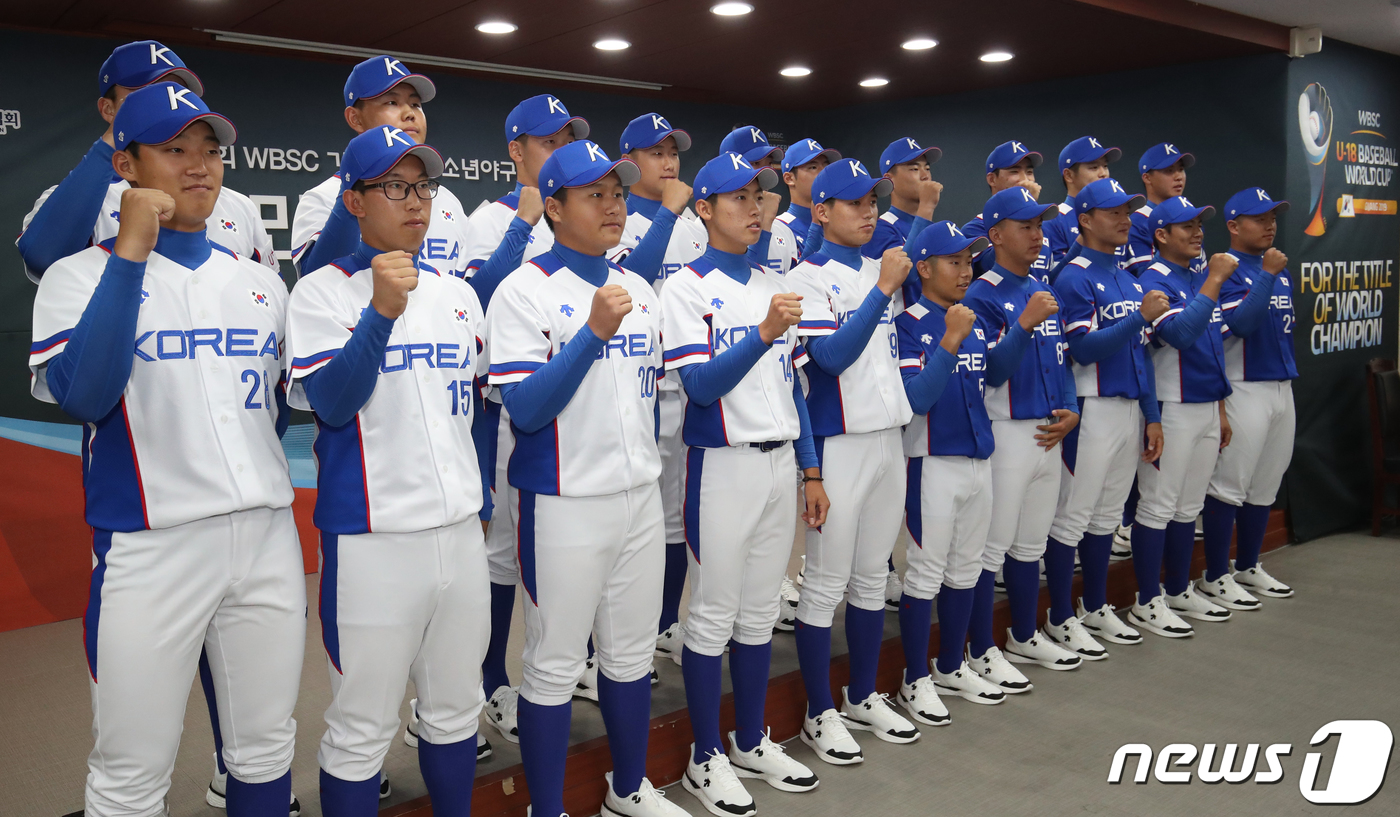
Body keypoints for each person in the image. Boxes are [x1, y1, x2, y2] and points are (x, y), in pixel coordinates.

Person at [29, 82, 305, 817]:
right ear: (126, 162)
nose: (199, 165)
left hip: (266, 536)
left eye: (210, 149)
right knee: (130, 770)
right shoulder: (75, 277)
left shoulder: (257, 283)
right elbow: (85, 395)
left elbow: (274, 416)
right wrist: (128, 254)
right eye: (174, 149)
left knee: (265, 748)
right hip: (153, 547)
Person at [284, 127, 489, 816]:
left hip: (459, 531)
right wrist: (378, 312)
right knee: (361, 728)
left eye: (424, 187)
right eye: (394, 187)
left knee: (457, 709)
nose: (415, 202)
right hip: (372, 537)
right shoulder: (320, 293)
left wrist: (478, 498)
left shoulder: (459, 294)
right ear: (354, 199)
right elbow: (334, 405)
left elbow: (472, 414)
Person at [485, 140, 682, 817]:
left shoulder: (643, 289)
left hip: (638, 499)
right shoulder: (521, 290)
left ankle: (629, 788)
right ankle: (548, 808)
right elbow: (526, 409)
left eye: (618, 192)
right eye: (595, 194)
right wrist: (593, 333)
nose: (614, 205)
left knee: (629, 656)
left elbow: (647, 399)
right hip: (562, 501)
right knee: (554, 662)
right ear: (556, 207)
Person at [661, 151, 827, 816]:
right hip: (720, 463)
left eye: (758, 196)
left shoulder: (772, 281)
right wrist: (763, 332)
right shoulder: (686, 289)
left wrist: (811, 467)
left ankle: (751, 738)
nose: (753, 208)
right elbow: (699, 387)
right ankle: (706, 757)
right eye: (735, 198)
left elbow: (796, 387)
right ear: (703, 208)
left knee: (759, 613)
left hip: (778, 460)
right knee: (712, 615)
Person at [464, 92, 590, 747]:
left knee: (550, 548)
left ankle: (553, 668)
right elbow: (473, 301)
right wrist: (524, 221)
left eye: (568, 139)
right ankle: (486, 679)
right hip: (500, 410)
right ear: (517, 150)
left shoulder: (582, 213)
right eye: (548, 141)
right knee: (497, 554)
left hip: (571, 408)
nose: (559, 149)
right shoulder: (486, 219)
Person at [786, 158, 921, 762]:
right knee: (824, 585)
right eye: (854, 202)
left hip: (889, 437)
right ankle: (820, 712)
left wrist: (886, 281)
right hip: (838, 443)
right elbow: (831, 360)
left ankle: (863, 694)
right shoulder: (807, 276)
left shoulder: (876, 265)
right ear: (821, 210)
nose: (869, 210)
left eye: (874, 200)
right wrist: (884, 290)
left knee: (872, 580)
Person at [894, 220, 1021, 725]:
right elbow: (916, 400)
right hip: (931, 460)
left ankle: (950, 665)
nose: (965, 270)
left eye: (970, 261)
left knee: (966, 569)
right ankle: (914, 680)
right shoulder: (908, 324)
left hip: (977, 457)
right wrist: (950, 341)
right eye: (954, 261)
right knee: (925, 574)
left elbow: (992, 375)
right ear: (924, 268)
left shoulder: (972, 319)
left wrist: (1023, 330)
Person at [17, 40, 277, 282]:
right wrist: (118, 135)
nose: (165, 101)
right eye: (146, 91)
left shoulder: (237, 205)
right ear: (108, 109)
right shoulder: (78, 198)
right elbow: (44, 261)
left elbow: (269, 294)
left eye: (176, 91)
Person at [961, 187, 1082, 687]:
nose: (1037, 235)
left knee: (1030, 545)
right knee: (991, 549)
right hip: (1005, 430)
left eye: (1039, 226)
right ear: (996, 235)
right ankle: (980, 648)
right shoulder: (981, 292)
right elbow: (991, 372)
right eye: (1025, 226)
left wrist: (1072, 408)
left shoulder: (1040, 285)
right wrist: (1025, 325)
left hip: (1047, 430)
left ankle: (1024, 634)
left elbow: (1060, 361)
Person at [1043, 178, 1167, 657]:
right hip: (1090, 408)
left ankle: (1094, 606)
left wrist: (1152, 416)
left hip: (1129, 406)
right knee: (1072, 518)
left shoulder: (1127, 275)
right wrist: (1137, 317)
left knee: (1106, 517)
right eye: (1113, 211)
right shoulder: (1072, 276)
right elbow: (1081, 348)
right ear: (1086, 219)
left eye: (1128, 210)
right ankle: (1059, 616)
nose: (1125, 218)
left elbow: (1141, 356)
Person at [609, 113, 703, 664]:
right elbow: (633, 281)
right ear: (629, 161)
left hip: (683, 383)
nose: (667, 161)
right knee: (628, 518)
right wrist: (667, 214)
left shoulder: (691, 223)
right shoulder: (617, 214)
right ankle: (609, 644)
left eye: (672, 150)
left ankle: (665, 621)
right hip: (635, 383)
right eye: (654, 152)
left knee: (671, 518)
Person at [1130, 196, 1236, 634]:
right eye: (1186, 226)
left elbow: (1214, 349)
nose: (1197, 233)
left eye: (1199, 225)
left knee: (1188, 506)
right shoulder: (1151, 277)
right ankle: (1146, 600)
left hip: (1206, 404)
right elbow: (1179, 334)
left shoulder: (1195, 274)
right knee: (1158, 506)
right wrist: (1213, 281)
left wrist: (1222, 408)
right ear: (1160, 235)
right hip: (1171, 405)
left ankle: (1176, 589)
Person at [1197, 188, 1298, 606]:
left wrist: (1272, 273)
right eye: (1260, 218)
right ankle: (1216, 574)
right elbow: (1241, 325)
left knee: (1266, 484)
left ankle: (1248, 565)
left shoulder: (1277, 267)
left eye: (1273, 216)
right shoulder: (1228, 269)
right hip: (1243, 384)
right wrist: (1268, 275)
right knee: (1229, 485)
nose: (1270, 224)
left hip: (1281, 385)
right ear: (1235, 226)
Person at [291, 55, 472, 281]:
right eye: (392, 103)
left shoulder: (449, 200)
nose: (410, 113)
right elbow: (315, 285)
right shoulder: (323, 198)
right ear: (355, 119)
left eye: (415, 104)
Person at [1113, 142, 1198, 560]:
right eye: (1168, 170)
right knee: (1152, 500)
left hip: (1191, 377)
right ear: (1147, 177)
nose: (1178, 175)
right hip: (1159, 369)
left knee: (1185, 501)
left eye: (1181, 168)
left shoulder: (1188, 227)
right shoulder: (1144, 224)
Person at [863, 137, 943, 311]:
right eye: (914, 168)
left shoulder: (932, 228)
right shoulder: (880, 228)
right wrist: (926, 207)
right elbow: (905, 276)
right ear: (889, 179)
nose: (925, 176)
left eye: (927, 168)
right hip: (904, 332)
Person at [963, 141, 1050, 280]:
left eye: (1029, 172)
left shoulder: (1044, 226)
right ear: (992, 179)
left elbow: (1053, 276)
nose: (1025, 179)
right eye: (1014, 171)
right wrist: (1022, 207)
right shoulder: (974, 229)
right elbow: (994, 264)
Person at [719, 126, 797, 274]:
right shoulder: (707, 230)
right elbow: (747, 285)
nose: (763, 171)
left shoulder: (783, 231)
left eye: (768, 164)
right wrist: (764, 227)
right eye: (754, 163)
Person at [1042, 136, 1119, 271]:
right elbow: (1053, 279)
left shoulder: (1119, 217)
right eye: (1094, 167)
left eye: (1105, 166)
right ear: (1069, 175)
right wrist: (1084, 240)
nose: (1103, 173)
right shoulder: (1054, 219)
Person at [776, 138, 840, 259]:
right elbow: (790, 278)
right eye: (813, 167)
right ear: (789, 178)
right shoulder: (779, 228)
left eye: (826, 166)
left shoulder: (841, 225)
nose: (824, 173)